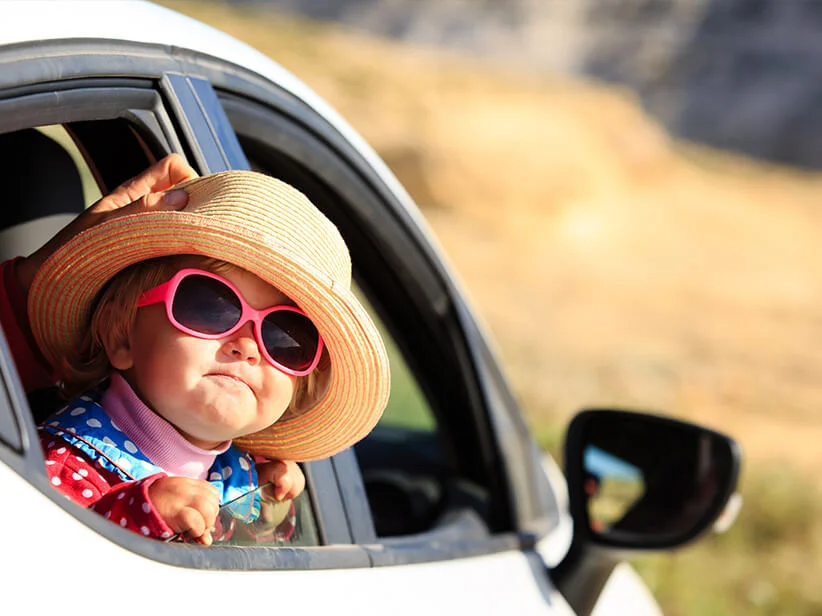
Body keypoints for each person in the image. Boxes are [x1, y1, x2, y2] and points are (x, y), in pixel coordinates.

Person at [6, 162, 391, 544]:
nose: (249, 345)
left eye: (286, 338)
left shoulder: (236, 473)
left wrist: (266, 502)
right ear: (121, 335)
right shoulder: (55, 467)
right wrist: (136, 514)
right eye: (210, 307)